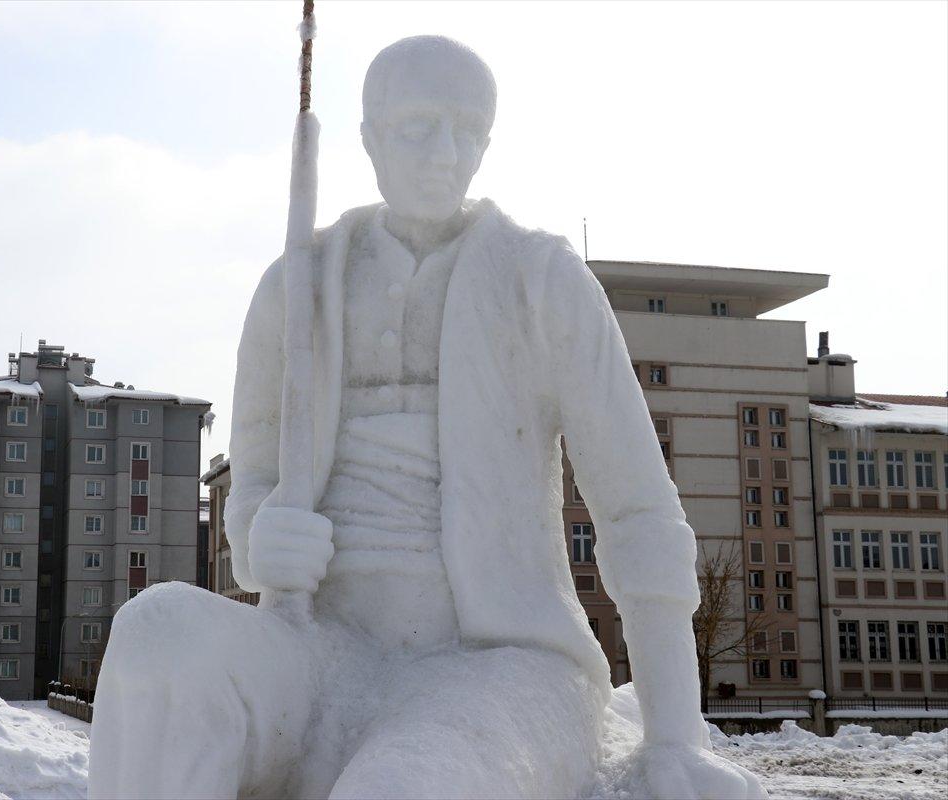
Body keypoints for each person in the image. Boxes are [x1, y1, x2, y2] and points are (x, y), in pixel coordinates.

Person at [90, 35, 765, 800]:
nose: (446, 153)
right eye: (418, 127)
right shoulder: (296, 288)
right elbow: (255, 486)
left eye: (468, 131)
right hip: (323, 651)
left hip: (498, 665)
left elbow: (639, 509)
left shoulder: (541, 280)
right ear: (370, 138)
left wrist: (675, 738)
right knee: (156, 633)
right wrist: (258, 537)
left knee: (405, 787)